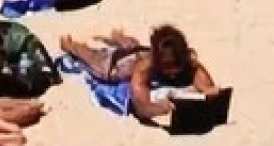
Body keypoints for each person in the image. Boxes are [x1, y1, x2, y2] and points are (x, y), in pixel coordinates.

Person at [57, 26, 218, 126]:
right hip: (118, 67)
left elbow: (209, 88)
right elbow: (141, 108)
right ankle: (70, 45)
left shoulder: (188, 62)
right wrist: (161, 108)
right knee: (98, 63)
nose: (174, 72)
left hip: (143, 52)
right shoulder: (144, 69)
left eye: (176, 66)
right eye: (168, 67)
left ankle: (118, 38)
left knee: (133, 47)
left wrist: (210, 92)